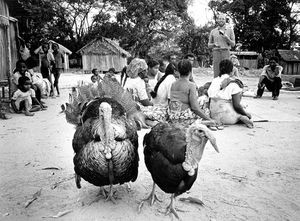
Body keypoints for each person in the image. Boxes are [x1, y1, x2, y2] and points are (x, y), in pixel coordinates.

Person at [167, 59, 216, 127]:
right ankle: (206, 123)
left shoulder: (173, 84)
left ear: (178, 71)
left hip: (173, 116)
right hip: (184, 117)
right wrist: (209, 119)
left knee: (199, 102)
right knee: (204, 104)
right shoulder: (191, 85)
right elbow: (195, 107)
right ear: (190, 71)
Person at [208, 59, 253, 128]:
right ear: (232, 70)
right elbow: (237, 105)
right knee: (244, 111)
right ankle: (240, 117)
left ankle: (239, 117)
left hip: (214, 115)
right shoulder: (234, 83)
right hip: (228, 117)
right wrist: (246, 114)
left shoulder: (214, 80)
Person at [208, 13, 235, 78]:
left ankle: (226, 85)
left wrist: (227, 38)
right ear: (217, 20)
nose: (221, 20)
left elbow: (233, 44)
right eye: (219, 18)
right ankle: (216, 86)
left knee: (226, 72)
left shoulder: (230, 30)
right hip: (216, 52)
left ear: (225, 20)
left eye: (223, 19)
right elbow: (209, 45)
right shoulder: (213, 31)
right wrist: (214, 44)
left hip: (226, 52)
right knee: (216, 72)